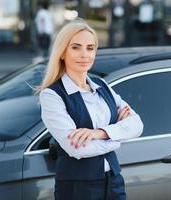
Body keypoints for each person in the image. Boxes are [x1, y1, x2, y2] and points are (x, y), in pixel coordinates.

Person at [38, 19, 144, 200]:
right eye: (76, 47)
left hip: (113, 181)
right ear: (62, 52)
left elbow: (137, 125)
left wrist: (101, 133)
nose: (84, 55)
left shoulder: (102, 86)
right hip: (78, 187)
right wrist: (119, 136)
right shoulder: (51, 95)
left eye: (90, 48)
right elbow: (77, 149)